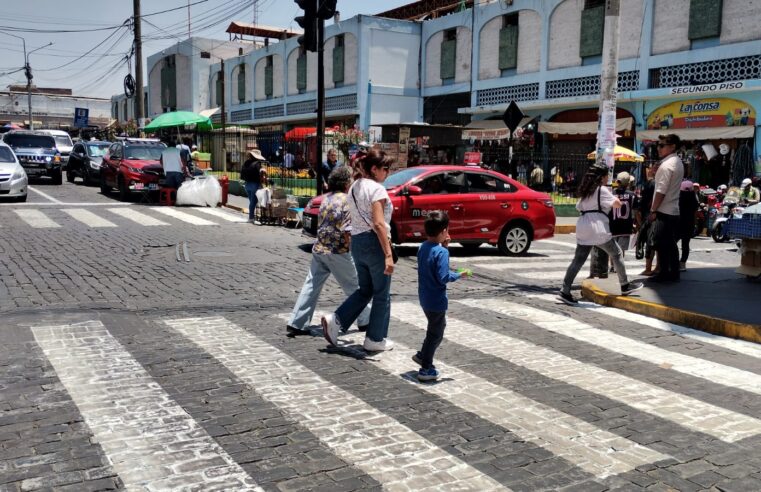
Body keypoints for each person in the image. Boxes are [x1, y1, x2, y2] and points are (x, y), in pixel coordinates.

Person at [322, 151, 396, 352]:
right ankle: (375, 338)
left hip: (358, 243)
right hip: (374, 243)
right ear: (374, 169)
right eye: (385, 168)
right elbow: (379, 224)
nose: (388, 173)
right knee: (381, 294)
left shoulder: (355, 186)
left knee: (365, 290)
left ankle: (337, 320)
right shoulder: (377, 189)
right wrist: (388, 255)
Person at [286, 167, 370, 336]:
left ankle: (297, 322)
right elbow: (348, 229)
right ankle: (365, 320)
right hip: (337, 250)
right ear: (347, 183)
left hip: (319, 247)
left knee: (311, 285)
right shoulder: (348, 200)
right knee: (355, 286)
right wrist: (353, 250)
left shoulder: (327, 198)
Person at [557, 163, 643, 305]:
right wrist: (611, 202)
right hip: (597, 227)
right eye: (606, 176)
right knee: (616, 253)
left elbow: (578, 206)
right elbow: (616, 203)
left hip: (583, 225)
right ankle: (625, 285)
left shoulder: (586, 190)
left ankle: (565, 290)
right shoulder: (602, 190)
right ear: (602, 177)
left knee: (578, 260)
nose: (607, 179)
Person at [411, 210, 465, 382]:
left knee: (433, 329)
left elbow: (432, 266)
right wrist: (459, 274)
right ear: (443, 231)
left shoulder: (423, 247)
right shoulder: (441, 253)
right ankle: (426, 367)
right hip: (436, 300)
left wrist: (445, 247)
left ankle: (423, 355)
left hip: (424, 297)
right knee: (437, 333)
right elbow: (443, 277)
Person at [649, 134, 685, 282]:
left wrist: (653, 210)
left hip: (664, 210)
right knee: (669, 243)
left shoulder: (667, 165)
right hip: (672, 209)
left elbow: (661, 191)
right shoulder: (677, 162)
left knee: (662, 243)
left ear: (672, 147)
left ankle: (665, 273)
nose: (659, 148)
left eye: (662, 145)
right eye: (658, 145)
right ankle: (672, 272)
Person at [678, 180, 699, 272]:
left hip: (678, 222)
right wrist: (694, 224)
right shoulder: (694, 200)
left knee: (672, 242)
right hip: (689, 223)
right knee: (685, 244)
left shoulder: (678, 198)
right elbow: (695, 214)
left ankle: (673, 261)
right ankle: (683, 264)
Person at [241, 149, 266, 224]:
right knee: (253, 202)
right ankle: (251, 218)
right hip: (254, 185)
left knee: (251, 202)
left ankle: (252, 217)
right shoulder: (257, 164)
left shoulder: (246, 163)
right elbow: (260, 174)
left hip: (247, 184)